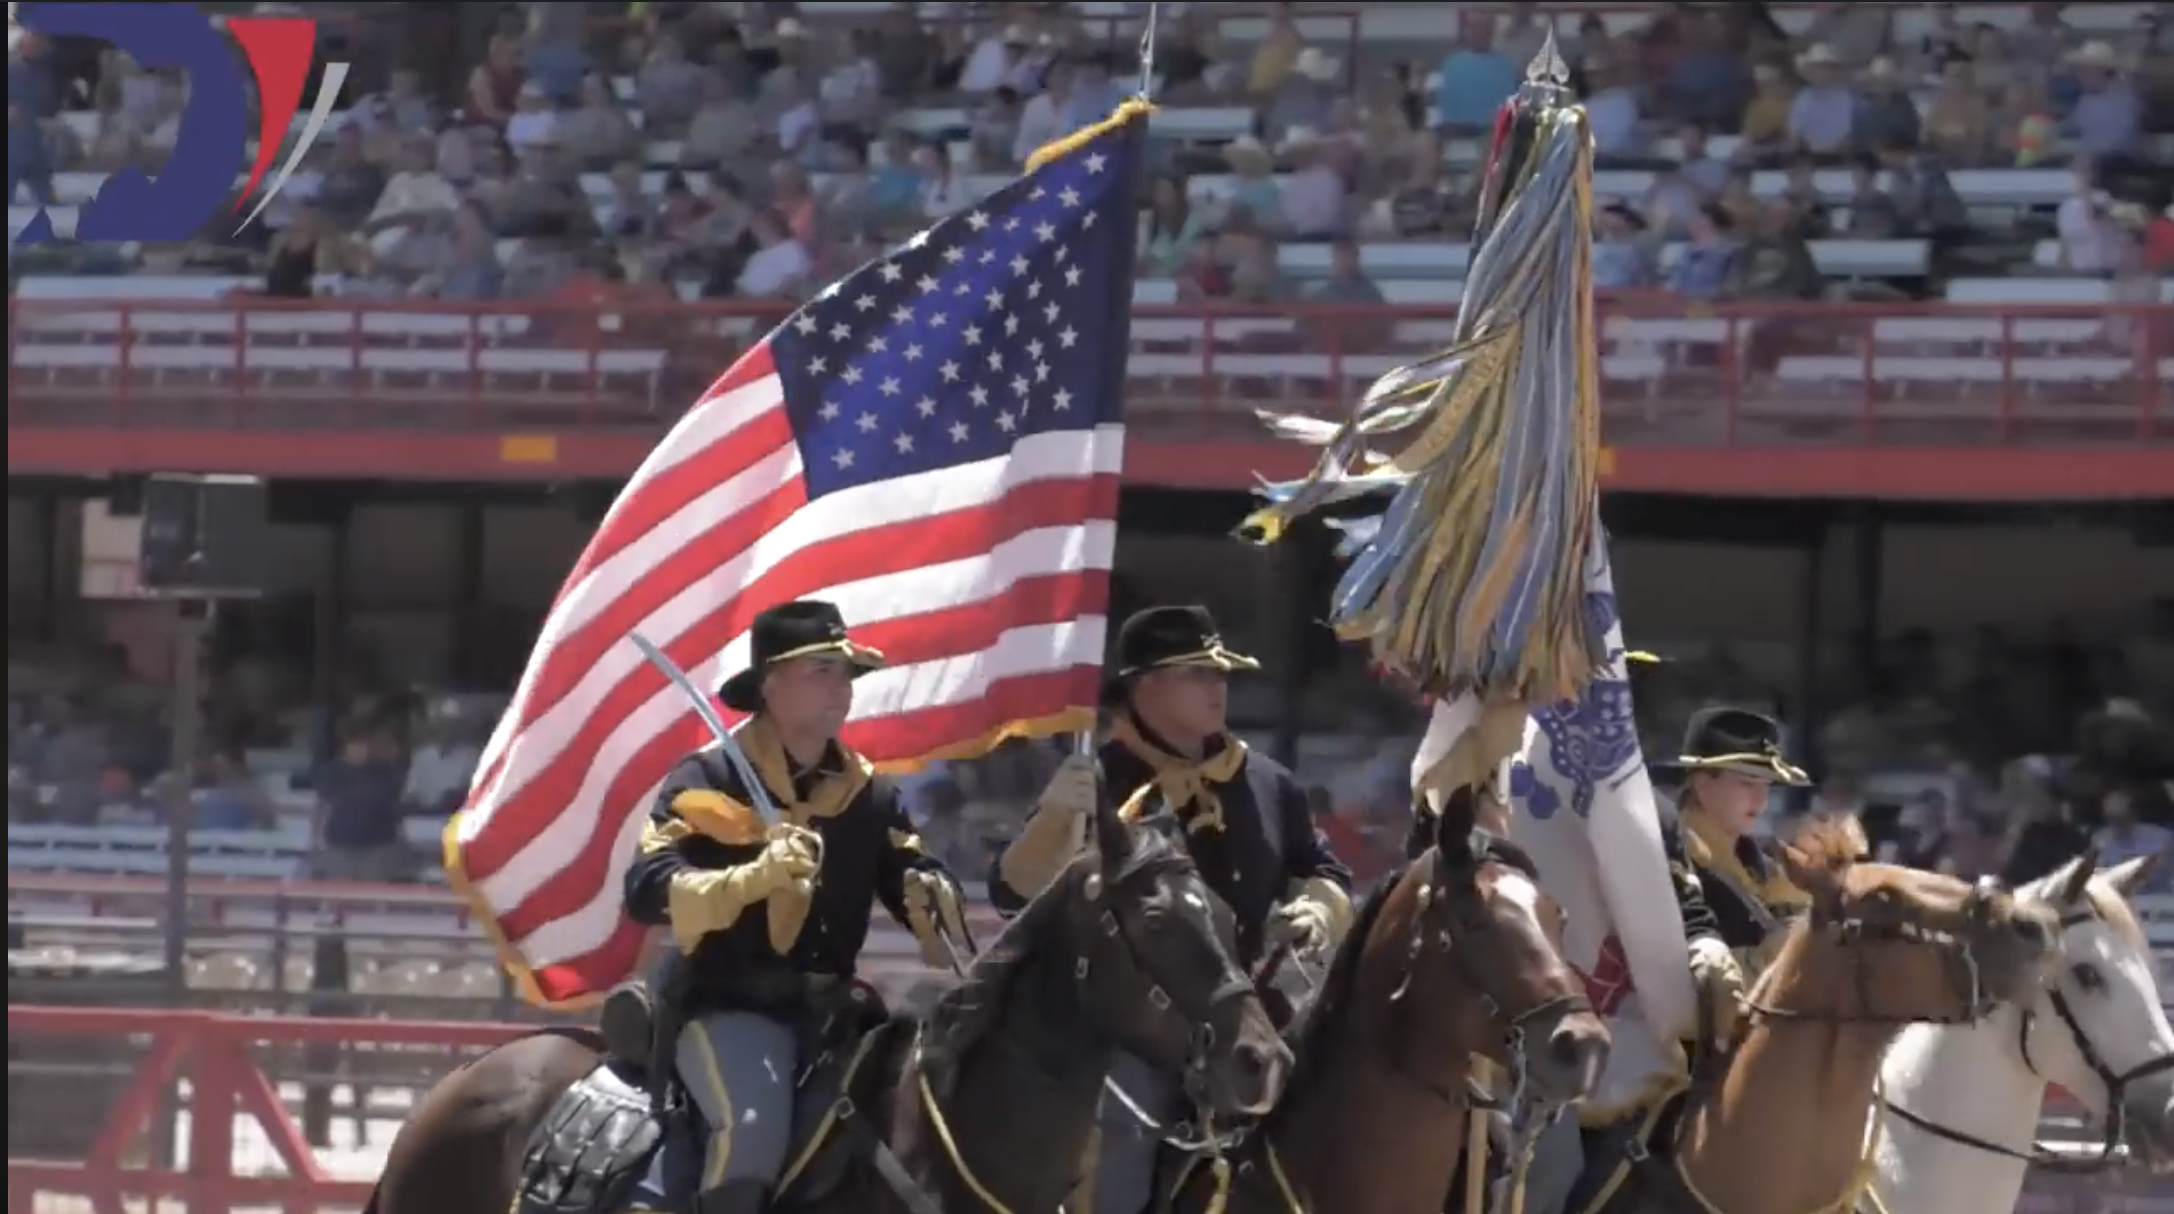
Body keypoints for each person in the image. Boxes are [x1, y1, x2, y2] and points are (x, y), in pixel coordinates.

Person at [990, 604, 1356, 1214]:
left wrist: (1318, 909)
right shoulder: (1092, 784)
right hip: (1136, 1028)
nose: (1219, 687)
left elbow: (1324, 868)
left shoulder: (1267, 782)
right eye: (1198, 674)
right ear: (1145, 686)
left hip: (1247, 1014)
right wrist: (1052, 823)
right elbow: (1012, 898)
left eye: (1222, 674)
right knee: (1122, 1142)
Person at [621, 600, 970, 1214]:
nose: (842, 687)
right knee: (750, 1130)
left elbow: (908, 867)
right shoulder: (708, 777)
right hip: (729, 1002)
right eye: (822, 671)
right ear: (770, 685)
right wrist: (749, 881)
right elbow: (647, 885)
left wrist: (929, 888)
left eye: (846, 673)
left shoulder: (869, 792)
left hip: (837, 1011)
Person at [1539, 704, 1809, 1214]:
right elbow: (1668, 963)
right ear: (1703, 783)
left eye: (1766, 784)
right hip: (1670, 1054)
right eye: (1745, 782)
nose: (1760, 797)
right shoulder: (1663, 854)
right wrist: (1781, 953)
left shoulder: (1768, 866)